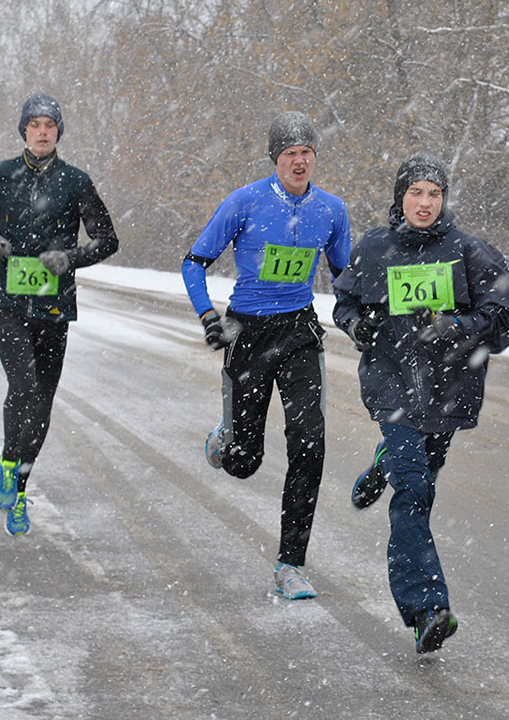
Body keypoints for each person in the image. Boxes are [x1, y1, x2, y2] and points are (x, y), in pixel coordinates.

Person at [332, 152, 509, 653]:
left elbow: (505, 321)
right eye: (415, 192)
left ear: (444, 199)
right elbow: (344, 302)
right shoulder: (375, 247)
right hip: (391, 383)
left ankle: (384, 462)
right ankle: (426, 609)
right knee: (413, 492)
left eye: (434, 193)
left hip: (446, 390)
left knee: (421, 484)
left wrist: (455, 326)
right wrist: (358, 325)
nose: (424, 202)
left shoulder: (469, 253)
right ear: (401, 197)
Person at [181, 111, 351, 600]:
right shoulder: (245, 202)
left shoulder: (331, 210)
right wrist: (208, 316)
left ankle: (290, 564)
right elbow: (194, 262)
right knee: (244, 462)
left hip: (299, 332)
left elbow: (346, 278)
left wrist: (364, 316)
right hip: (249, 334)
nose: (299, 162)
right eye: (289, 154)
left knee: (310, 444)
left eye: (306, 152)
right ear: (276, 159)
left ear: (315, 156)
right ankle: (226, 437)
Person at [0, 92, 119, 536]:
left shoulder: (75, 182)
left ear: (58, 132)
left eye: (50, 126)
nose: (42, 132)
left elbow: (107, 239)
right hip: (7, 300)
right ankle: (9, 463)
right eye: (35, 125)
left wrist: (70, 258)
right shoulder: (1, 174)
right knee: (24, 385)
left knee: (42, 401)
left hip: (54, 305)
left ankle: (20, 489)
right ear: (24, 131)